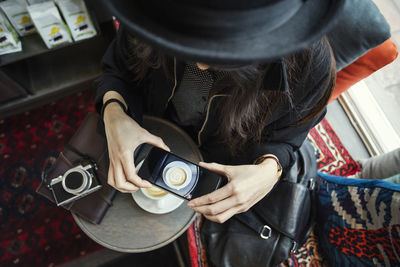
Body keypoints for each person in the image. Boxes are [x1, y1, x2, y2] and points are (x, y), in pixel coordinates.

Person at [95, 0, 344, 224]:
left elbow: (287, 136)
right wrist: (115, 114)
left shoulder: (311, 70)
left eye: (223, 54)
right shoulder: (152, 11)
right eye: (185, 44)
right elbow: (119, 69)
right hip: (149, 129)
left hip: (222, 165)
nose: (200, 65)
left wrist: (268, 171)